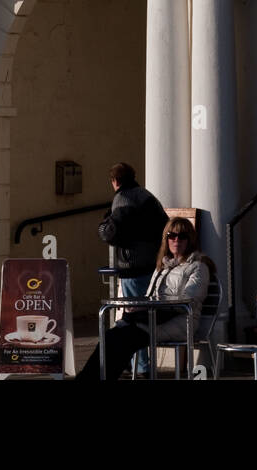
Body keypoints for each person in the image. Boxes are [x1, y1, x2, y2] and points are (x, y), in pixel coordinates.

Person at [77, 216, 211, 380]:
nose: (177, 240)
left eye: (182, 236)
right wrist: (139, 306)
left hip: (181, 322)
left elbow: (188, 301)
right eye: (172, 236)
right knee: (110, 337)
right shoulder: (163, 265)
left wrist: (149, 307)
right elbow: (150, 297)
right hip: (155, 319)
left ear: (190, 240)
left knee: (124, 340)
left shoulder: (198, 267)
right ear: (166, 239)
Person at [97, 161, 168, 376]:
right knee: (142, 316)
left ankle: (141, 366)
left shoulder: (123, 198)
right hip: (152, 263)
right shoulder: (145, 195)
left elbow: (111, 233)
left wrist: (103, 224)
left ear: (115, 181)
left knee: (135, 319)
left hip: (135, 267)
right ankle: (135, 363)